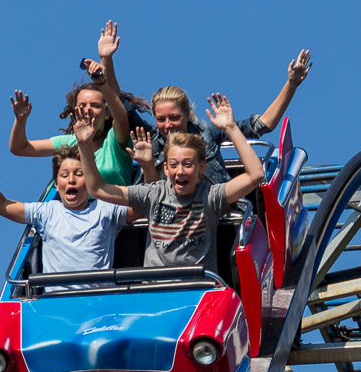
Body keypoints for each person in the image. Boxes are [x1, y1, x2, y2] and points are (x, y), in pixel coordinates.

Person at [74, 94, 264, 274]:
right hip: (157, 288)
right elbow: (96, 188)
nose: (180, 171)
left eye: (188, 164)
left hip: (196, 289)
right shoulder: (154, 194)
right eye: (174, 165)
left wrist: (231, 128)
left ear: (202, 167)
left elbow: (255, 174)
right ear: (166, 169)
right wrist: (84, 145)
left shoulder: (211, 196)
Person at [0, 132, 136, 274]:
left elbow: (146, 207)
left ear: (90, 180)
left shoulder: (105, 210)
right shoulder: (46, 212)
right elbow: (0, 205)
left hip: (98, 304)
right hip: (56, 305)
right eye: (64, 175)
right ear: (56, 184)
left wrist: (148, 165)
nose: (71, 180)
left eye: (79, 174)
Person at [8, 21, 147, 186]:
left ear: (107, 112)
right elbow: (19, 148)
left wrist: (106, 61)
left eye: (95, 106)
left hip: (113, 210)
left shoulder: (115, 141)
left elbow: (120, 110)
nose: (87, 110)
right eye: (82, 105)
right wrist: (21, 120)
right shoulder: (70, 142)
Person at [140, 50, 312, 184]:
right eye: (161, 119)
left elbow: (264, 124)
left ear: (187, 115)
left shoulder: (206, 133)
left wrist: (292, 84)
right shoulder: (149, 142)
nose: (168, 125)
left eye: (174, 118)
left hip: (213, 214)